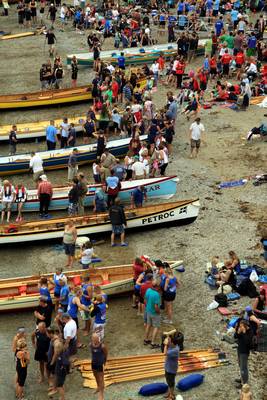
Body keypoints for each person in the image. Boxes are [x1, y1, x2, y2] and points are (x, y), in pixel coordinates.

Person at [234, 320, 253, 388]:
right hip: (239, 350)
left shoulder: (250, 332)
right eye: (240, 326)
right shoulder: (241, 329)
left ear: (245, 326)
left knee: (243, 368)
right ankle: (242, 378)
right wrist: (238, 332)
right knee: (240, 366)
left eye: (241, 326)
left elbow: (247, 342)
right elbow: (235, 337)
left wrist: (244, 333)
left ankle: (244, 384)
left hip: (244, 352)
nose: (240, 327)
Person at [144, 279, 161, 349]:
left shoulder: (148, 290)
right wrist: (158, 312)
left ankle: (146, 339)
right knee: (156, 327)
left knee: (148, 325)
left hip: (148, 311)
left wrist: (147, 306)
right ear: (157, 286)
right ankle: (153, 343)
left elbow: (145, 300)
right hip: (154, 313)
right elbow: (156, 306)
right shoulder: (156, 294)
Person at [91, 333, 108, 400]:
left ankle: (101, 395)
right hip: (93, 363)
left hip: (100, 364)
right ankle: (98, 387)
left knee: (101, 378)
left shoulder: (102, 346)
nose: (95, 340)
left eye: (96, 339)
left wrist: (105, 362)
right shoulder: (91, 345)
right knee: (95, 375)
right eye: (93, 339)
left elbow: (106, 354)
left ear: (98, 339)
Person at [164, 333, 180, 400]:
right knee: (168, 381)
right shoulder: (173, 345)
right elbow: (169, 339)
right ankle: (170, 393)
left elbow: (165, 353)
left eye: (170, 340)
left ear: (173, 343)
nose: (168, 341)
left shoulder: (175, 350)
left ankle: (172, 396)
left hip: (171, 369)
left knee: (171, 382)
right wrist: (168, 336)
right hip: (168, 367)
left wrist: (165, 344)